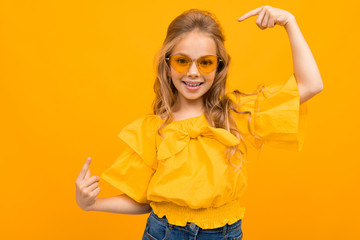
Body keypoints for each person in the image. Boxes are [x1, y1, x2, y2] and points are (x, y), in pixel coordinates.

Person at [75, 5, 323, 240]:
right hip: (163, 232)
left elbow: (311, 85)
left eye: (205, 62)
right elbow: (142, 201)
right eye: (182, 61)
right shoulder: (151, 129)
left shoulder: (235, 114)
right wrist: (91, 204)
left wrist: (290, 22)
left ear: (218, 67)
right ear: (168, 64)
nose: (193, 72)